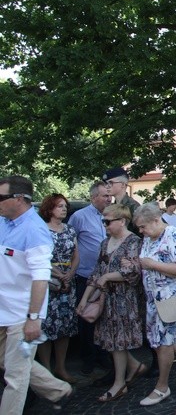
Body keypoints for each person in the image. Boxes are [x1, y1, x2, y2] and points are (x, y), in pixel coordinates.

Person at [0, 176, 73, 413]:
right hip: (3, 310)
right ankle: (57, 390)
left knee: (15, 376)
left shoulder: (35, 231)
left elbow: (41, 278)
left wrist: (34, 318)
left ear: (19, 199)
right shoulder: (4, 221)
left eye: (1, 197)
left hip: (22, 314)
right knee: (10, 362)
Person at [76, 203, 146, 402]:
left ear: (122, 221)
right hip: (107, 300)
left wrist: (108, 278)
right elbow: (97, 272)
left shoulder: (134, 241)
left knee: (117, 342)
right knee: (111, 341)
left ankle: (119, 384)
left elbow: (133, 272)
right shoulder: (105, 243)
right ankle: (134, 367)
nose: (104, 224)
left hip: (125, 300)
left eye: (107, 221)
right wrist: (84, 299)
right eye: (103, 221)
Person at [130, 203, 176, 406]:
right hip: (155, 298)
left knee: (164, 341)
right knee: (161, 339)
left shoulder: (172, 235)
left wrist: (152, 264)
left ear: (156, 220)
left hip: (172, 296)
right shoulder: (150, 238)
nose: (140, 231)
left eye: (142, 226)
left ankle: (162, 387)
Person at [68, 181, 111, 374]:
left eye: (109, 195)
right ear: (93, 197)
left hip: (107, 276)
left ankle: (103, 355)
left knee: (104, 317)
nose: (108, 199)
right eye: (104, 196)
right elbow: (70, 243)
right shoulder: (79, 217)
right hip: (85, 276)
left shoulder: (112, 215)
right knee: (86, 317)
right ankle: (88, 358)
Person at [37, 193, 79, 384]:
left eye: (65, 205)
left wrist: (70, 273)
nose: (64, 208)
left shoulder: (69, 230)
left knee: (64, 327)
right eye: (59, 206)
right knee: (46, 327)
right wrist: (58, 274)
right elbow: (40, 257)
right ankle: (46, 369)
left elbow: (76, 254)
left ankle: (61, 367)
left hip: (68, 283)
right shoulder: (41, 230)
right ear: (49, 208)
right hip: (48, 282)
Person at [103, 167, 140, 234]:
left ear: (123, 185)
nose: (107, 186)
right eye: (106, 183)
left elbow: (141, 232)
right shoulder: (112, 206)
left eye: (111, 183)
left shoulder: (133, 206)